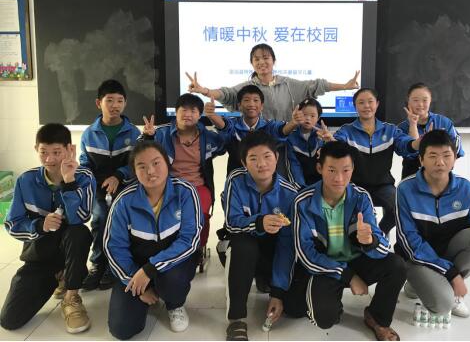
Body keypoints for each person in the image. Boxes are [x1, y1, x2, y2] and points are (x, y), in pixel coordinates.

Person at [286, 141, 405, 341]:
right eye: (331, 170)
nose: (339, 178)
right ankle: (332, 300)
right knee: (324, 319)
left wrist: (370, 241)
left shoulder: (361, 197)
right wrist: (348, 276)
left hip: (357, 259)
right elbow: (305, 254)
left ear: (353, 169)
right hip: (326, 265)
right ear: (319, 168)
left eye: (345, 170)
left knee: (397, 266)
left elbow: (383, 247)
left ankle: (377, 318)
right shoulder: (303, 201)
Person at [1, 124, 95, 334]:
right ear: (36, 149)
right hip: (40, 255)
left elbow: (81, 218)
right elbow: (12, 223)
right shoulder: (26, 180)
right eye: (43, 152)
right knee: (10, 319)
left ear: (69, 149)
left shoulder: (84, 177)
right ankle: (58, 275)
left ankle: (71, 294)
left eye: (56, 152)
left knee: (79, 232)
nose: (50, 159)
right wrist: (39, 225)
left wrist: (69, 182)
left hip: (70, 247)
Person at [104, 141, 202, 339]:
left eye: (156, 163)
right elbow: (114, 247)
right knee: (122, 329)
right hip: (137, 268)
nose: (150, 171)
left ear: (167, 163)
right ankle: (150, 292)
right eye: (142, 166)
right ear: (134, 171)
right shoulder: (124, 201)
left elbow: (190, 239)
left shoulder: (185, 192)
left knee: (172, 281)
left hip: (174, 264)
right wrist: (136, 282)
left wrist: (151, 269)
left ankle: (174, 304)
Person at [395, 130, 470, 319]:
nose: (440, 162)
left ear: (455, 159)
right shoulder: (405, 189)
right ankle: (417, 284)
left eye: (446, 156)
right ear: (421, 160)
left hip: (447, 253)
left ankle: (443, 285)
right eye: (433, 156)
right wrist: (451, 273)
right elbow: (408, 241)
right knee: (442, 307)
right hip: (416, 259)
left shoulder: (466, 189)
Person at [222, 131, 298, 341]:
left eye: (267, 156)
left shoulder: (289, 194)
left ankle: (267, 280)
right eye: (253, 158)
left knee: (296, 305)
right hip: (243, 246)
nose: (261, 164)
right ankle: (236, 319)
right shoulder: (235, 180)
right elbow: (231, 223)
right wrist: (259, 222)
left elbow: (287, 244)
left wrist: (278, 292)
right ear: (244, 162)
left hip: (272, 250)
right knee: (243, 245)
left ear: (277, 157)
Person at [140, 93, 226, 269]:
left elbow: (225, 142)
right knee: (168, 215)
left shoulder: (206, 136)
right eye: (183, 110)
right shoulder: (162, 133)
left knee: (201, 215)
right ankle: (169, 250)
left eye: (193, 111)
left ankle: (197, 248)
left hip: (198, 185)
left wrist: (216, 119)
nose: (188, 114)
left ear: (200, 115)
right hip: (168, 186)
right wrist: (148, 137)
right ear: (176, 112)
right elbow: (141, 153)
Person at [186, 43, 360, 121]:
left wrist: (344, 86)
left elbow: (316, 85)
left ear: (273, 61)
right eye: (256, 59)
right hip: (258, 144)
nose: (261, 62)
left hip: (287, 140)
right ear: (252, 64)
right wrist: (206, 91)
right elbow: (226, 93)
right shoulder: (248, 88)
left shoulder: (288, 84)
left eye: (265, 57)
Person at [331, 88, 421, 235]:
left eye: (370, 102)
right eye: (361, 102)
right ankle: (362, 240)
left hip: (383, 186)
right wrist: (330, 142)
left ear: (377, 104)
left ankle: (379, 234)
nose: (366, 106)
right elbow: (336, 146)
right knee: (354, 216)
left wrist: (418, 142)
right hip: (355, 186)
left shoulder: (390, 130)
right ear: (355, 106)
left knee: (401, 207)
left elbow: (406, 147)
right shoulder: (347, 131)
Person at [80, 79, 141, 291]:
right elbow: (85, 164)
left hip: (126, 187)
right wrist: (92, 183)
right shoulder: (89, 134)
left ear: (125, 103)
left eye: (120, 101)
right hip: (99, 188)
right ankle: (98, 264)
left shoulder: (133, 133)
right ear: (99, 103)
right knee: (99, 220)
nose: (115, 105)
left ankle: (113, 266)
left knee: (120, 222)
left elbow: (136, 164)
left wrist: (118, 176)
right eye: (110, 100)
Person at [214, 84, 303, 183]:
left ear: (261, 106)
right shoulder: (233, 124)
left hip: (265, 181)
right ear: (239, 105)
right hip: (237, 182)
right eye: (247, 100)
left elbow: (281, 131)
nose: (251, 104)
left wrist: (293, 123)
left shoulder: (268, 125)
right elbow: (225, 126)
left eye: (255, 100)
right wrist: (212, 115)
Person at [397, 82, 464, 179]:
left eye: (425, 100)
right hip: (412, 176)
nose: (420, 104)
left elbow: (456, 149)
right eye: (415, 100)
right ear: (408, 101)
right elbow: (409, 153)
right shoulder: (401, 128)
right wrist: (413, 125)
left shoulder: (443, 122)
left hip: (440, 173)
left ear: (430, 100)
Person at [286, 97, 325, 187]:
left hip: (322, 185)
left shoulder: (322, 134)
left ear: (318, 118)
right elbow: (293, 166)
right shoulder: (291, 136)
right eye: (304, 114)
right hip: (300, 185)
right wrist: (301, 188)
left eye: (312, 116)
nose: (308, 118)